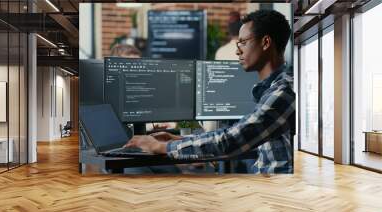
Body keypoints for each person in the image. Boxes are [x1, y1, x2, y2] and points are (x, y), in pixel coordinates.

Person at [124, 9, 295, 174]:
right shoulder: (269, 90)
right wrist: (178, 140)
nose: (237, 50)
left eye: (243, 42)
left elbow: (232, 140)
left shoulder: (283, 92)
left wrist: (162, 147)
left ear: (265, 42)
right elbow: (231, 134)